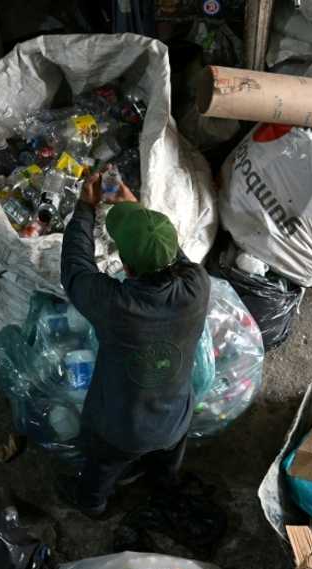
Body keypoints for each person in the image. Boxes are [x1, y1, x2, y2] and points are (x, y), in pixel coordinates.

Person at [57, 171, 211, 516]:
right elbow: (171, 253)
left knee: (102, 466)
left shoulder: (116, 306)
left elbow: (76, 269)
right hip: (176, 418)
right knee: (168, 458)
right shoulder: (197, 285)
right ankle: (164, 485)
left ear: (125, 266)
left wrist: (85, 208)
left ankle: (93, 504)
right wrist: (134, 208)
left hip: (121, 429)